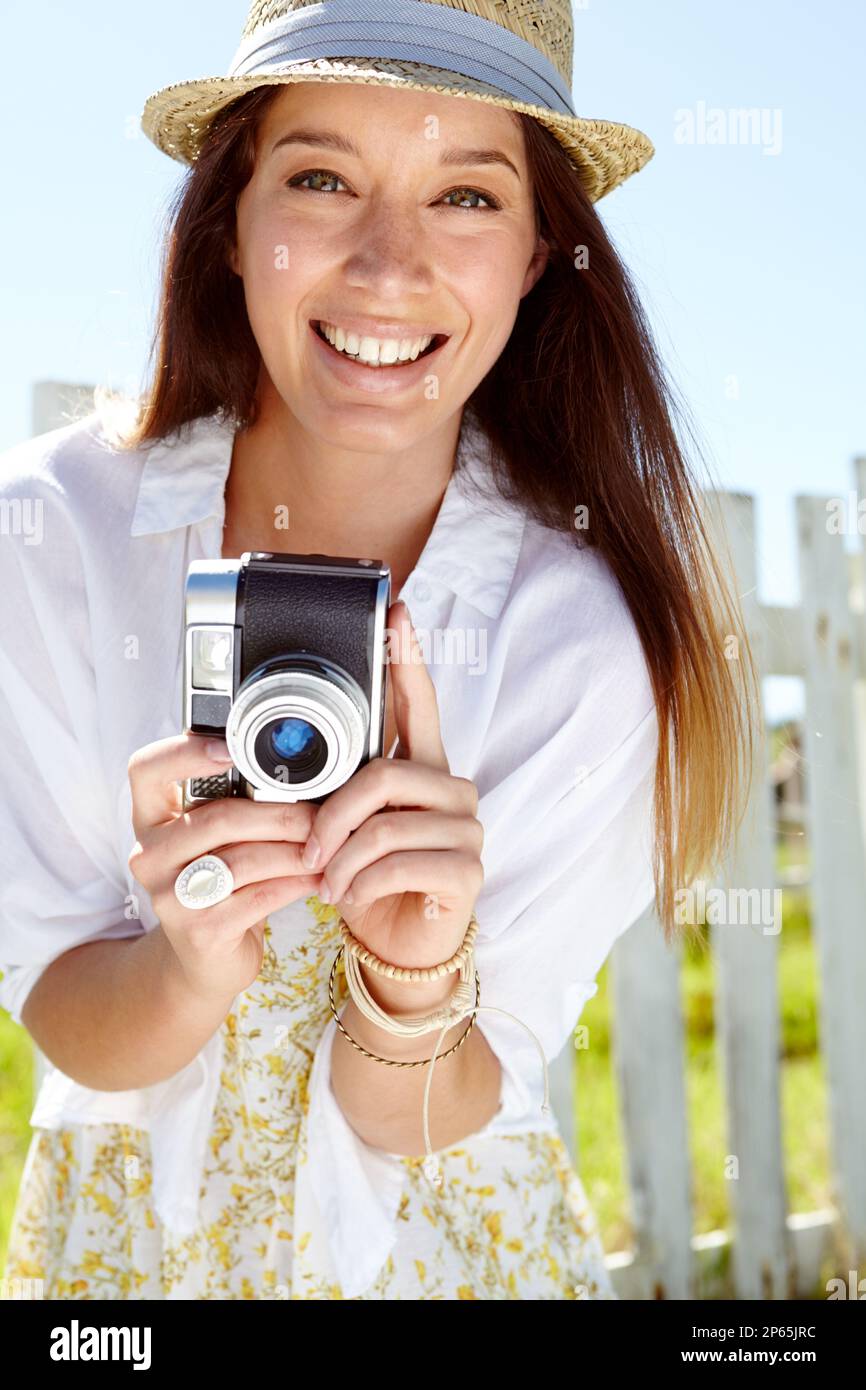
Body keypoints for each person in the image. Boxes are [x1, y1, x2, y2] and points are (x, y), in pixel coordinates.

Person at [0, 0, 758, 1300]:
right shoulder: (53, 533)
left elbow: (420, 1114)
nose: (389, 265)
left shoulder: (577, 628)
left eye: (466, 197)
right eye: (320, 177)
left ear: (534, 254)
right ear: (227, 221)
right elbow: (66, 1014)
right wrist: (182, 960)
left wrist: (413, 976)